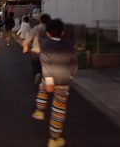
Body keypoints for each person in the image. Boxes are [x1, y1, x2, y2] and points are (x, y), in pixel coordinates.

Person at [31, 19, 78, 147]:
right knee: (59, 109)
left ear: (47, 33)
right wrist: (72, 76)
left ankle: (40, 110)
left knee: (42, 86)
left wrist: (49, 82)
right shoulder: (69, 45)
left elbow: (45, 65)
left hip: (49, 77)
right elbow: (74, 63)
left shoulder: (45, 46)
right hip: (64, 80)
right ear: (62, 32)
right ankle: (54, 138)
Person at [23, 13, 51, 85]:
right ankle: (46, 79)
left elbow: (29, 37)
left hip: (36, 50)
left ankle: (37, 74)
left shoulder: (36, 28)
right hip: (47, 51)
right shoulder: (50, 28)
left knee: (36, 65)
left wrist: (25, 45)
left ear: (41, 20)